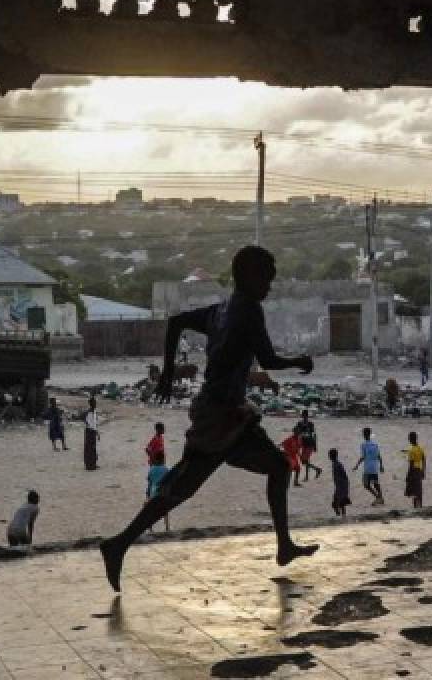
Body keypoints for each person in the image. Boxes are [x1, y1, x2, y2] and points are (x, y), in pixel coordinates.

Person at [99, 246, 318, 593]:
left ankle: (284, 545)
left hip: (227, 413)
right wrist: (300, 362)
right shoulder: (248, 310)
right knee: (181, 487)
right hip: (219, 418)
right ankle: (119, 544)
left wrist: (168, 374)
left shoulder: (221, 310)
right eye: (266, 279)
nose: (269, 287)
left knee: (275, 466)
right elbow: (269, 360)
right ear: (248, 276)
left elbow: (176, 323)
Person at [353, 427, 385, 506]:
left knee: (366, 484)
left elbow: (363, 457)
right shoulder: (375, 444)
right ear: (370, 434)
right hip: (374, 467)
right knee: (376, 483)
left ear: (364, 435)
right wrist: (381, 466)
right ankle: (380, 498)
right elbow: (379, 456)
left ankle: (378, 497)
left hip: (368, 467)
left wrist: (357, 465)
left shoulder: (363, 445)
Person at [146, 451, 171, 533]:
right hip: (164, 494)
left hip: (153, 494)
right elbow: (168, 483)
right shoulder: (166, 469)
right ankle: (167, 527)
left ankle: (150, 528)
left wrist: (148, 496)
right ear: (163, 459)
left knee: (151, 511)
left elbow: (149, 484)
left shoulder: (152, 470)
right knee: (165, 511)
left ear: (155, 460)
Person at [294, 410, 322, 482]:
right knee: (304, 461)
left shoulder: (310, 424)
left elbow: (313, 435)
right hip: (303, 444)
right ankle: (316, 470)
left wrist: (315, 445)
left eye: (305, 416)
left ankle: (308, 475)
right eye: (304, 415)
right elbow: (296, 432)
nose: (304, 417)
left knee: (305, 461)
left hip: (310, 444)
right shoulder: (300, 423)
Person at [404, 431, 425, 509]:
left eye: (409, 438)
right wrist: (423, 471)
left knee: (413, 491)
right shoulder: (420, 448)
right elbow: (423, 460)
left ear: (410, 439)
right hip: (419, 470)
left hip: (413, 471)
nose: (408, 439)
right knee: (419, 490)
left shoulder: (412, 450)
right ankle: (420, 506)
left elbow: (411, 465)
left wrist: (408, 475)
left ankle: (415, 507)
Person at [329, 448, 350, 517]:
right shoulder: (337, 464)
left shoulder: (337, 465)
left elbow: (343, 476)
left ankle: (340, 516)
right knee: (341, 503)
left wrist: (342, 487)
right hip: (341, 486)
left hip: (341, 486)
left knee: (337, 503)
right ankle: (342, 516)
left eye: (329, 455)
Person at [83, 396, 99, 471]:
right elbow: (90, 424)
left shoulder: (93, 411)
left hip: (92, 431)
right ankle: (89, 465)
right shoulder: (89, 412)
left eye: (95, 403)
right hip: (90, 432)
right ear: (90, 404)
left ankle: (93, 464)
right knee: (90, 448)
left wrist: (97, 432)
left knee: (92, 448)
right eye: (93, 403)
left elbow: (94, 424)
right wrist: (96, 432)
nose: (95, 404)